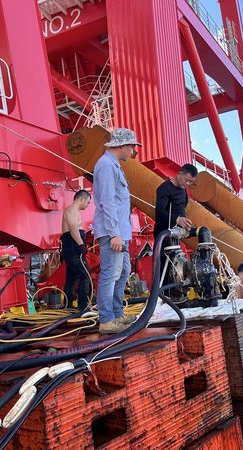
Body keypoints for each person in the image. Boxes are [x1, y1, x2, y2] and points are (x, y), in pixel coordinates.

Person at [93, 128, 141, 334]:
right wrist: (114, 233)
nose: (133, 151)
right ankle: (106, 320)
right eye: (132, 147)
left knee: (122, 272)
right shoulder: (105, 166)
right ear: (121, 145)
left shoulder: (114, 166)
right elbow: (107, 202)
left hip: (122, 232)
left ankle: (117, 314)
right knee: (110, 274)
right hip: (114, 233)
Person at [154, 164, 198, 282]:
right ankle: (162, 295)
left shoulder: (184, 190)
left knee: (176, 265)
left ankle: (175, 295)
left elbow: (182, 207)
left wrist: (184, 222)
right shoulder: (164, 188)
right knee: (164, 267)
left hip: (176, 234)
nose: (187, 184)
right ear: (179, 174)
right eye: (186, 180)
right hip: (163, 234)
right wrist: (177, 219)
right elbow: (159, 212)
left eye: (190, 182)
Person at [60, 189, 92, 310]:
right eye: (88, 202)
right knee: (85, 275)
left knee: (72, 277)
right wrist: (80, 245)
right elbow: (73, 228)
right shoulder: (71, 210)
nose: (88, 205)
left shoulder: (73, 210)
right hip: (74, 248)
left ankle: (68, 306)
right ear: (82, 199)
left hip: (71, 248)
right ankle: (82, 306)